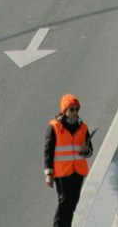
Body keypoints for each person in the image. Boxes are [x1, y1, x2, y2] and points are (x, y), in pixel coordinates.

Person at [43, 94, 94, 226]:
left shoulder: (82, 126)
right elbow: (48, 151)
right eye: (71, 109)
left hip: (78, 171)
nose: (75, 112)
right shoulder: (54, 127)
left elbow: (89, 151)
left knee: (73, 203)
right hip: (62, 172)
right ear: (64, 110)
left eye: (77, 109)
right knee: (64, 202)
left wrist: (85, 150)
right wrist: (49, 173)